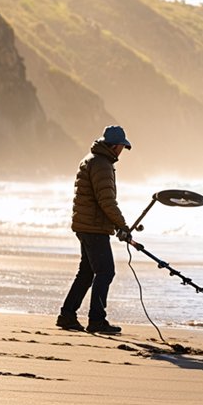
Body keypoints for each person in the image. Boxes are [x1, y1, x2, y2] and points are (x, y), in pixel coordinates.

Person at [56, 125, 133, 334]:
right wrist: (122, 225)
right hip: (93, 227)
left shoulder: (92, 159)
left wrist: (118, 226)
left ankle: (67, 315)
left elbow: (100, 201)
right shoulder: (102, 164)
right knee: (105, 271)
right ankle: (97, 320)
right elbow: (106, 201)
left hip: (86, 224)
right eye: (122, 148)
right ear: (115, 146)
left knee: (87, 272)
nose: (121, 152)